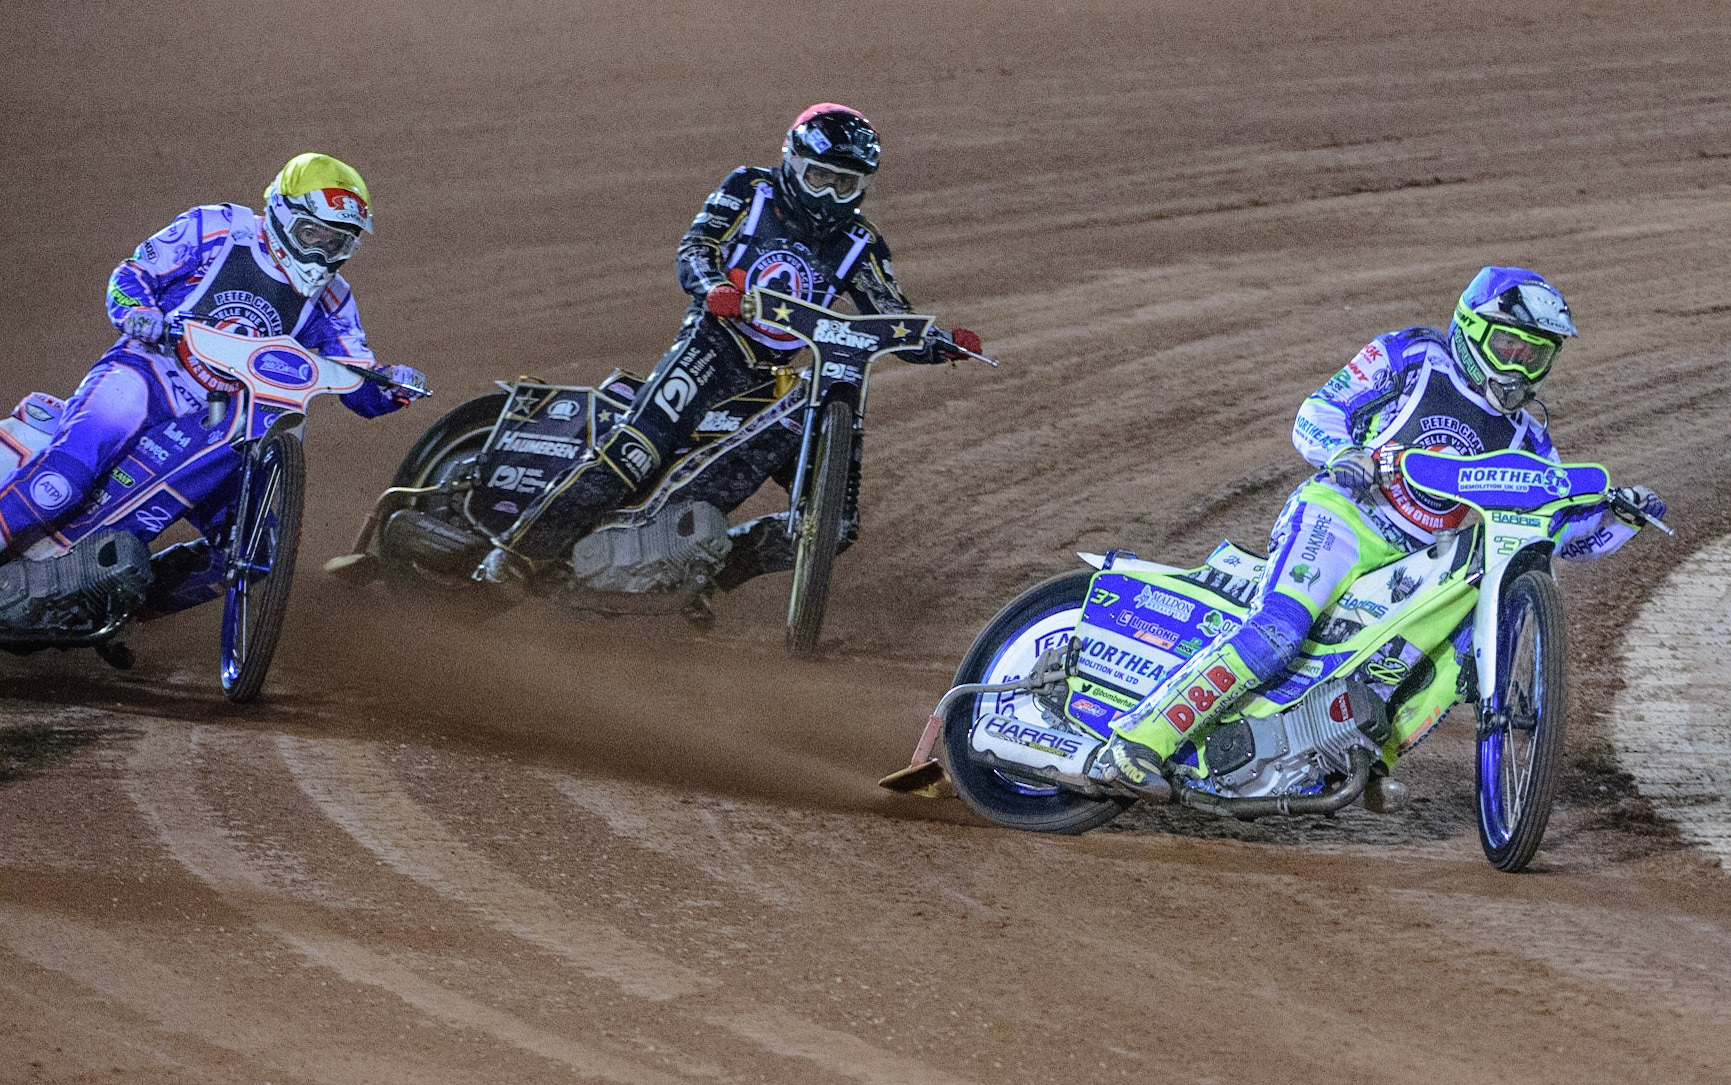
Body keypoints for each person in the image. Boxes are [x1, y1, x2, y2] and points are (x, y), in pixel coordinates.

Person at [1099, 266, 1667, 793]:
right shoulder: (1414, 355)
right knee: (1280, 628)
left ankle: (1364, 760)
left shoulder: (1531, 439)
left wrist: (1619, 516)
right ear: (1471, 330)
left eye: (1534, 356)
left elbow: (1562, 533)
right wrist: (1345, 453)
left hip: (1416, 560)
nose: (1517, 368)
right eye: (1507, 347)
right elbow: (1316, 411)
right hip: (1344, 517)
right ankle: (1136, 743)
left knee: (1458, 657)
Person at [474, 103, 982, 591]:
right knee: (635, 451)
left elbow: (887, 312)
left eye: (843, 184)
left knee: (835, 528)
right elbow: (695, 246)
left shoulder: (860, 243)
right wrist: (715, 287)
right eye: (819, 178)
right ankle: (514, 554)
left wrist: (938, 344)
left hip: (774, 379)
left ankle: (700, 580)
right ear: (794, 164)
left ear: (863, 186)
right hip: (711, 344)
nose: (829, 196)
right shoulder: (751, 189)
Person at [0, 153, 424, 559]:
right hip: (148, 371)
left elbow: (356, 378)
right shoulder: (218, 227)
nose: (320, 255)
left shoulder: (334, 299)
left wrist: (392, 387)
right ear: (281, 212)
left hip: (222, 423)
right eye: (311, 235)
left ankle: (119, 595)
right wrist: (138, 313)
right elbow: (133, 274)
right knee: (64, 480)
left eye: (336, 243)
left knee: (257, 551)